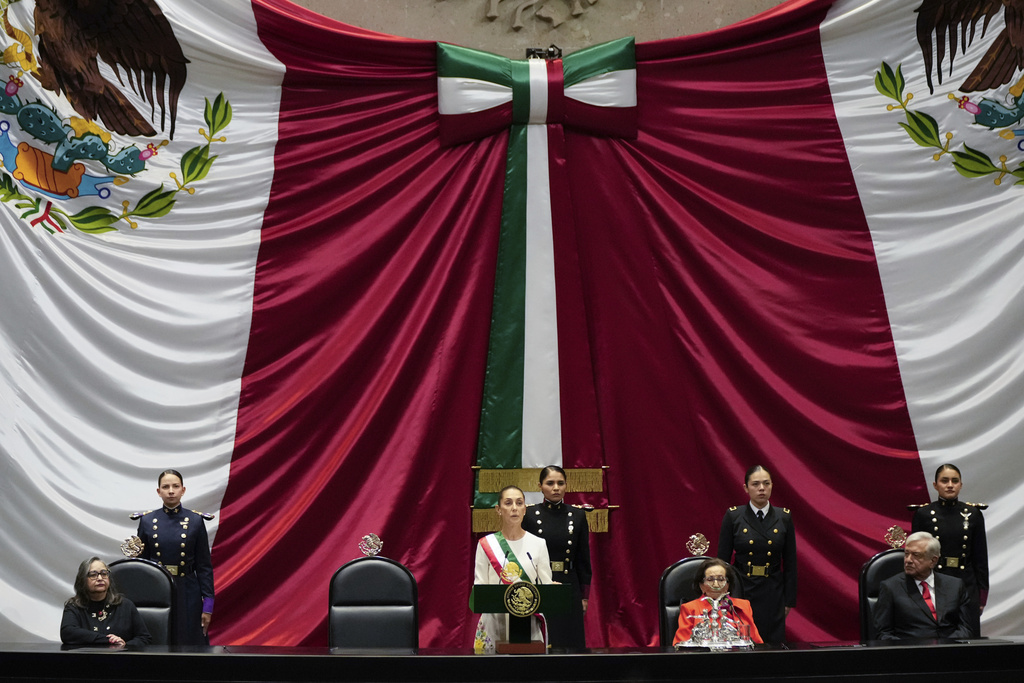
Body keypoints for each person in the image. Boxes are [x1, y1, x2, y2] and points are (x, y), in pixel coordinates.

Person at [133, 469, 215, 645]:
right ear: (158, 491)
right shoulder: (147, 520)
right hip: (157, 588)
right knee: (159, 638)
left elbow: (204, 566)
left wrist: (208, 606)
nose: (171, 490)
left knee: (189, 641)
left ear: (183, 490)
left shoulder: (195, 520)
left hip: (188, 589)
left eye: (175, 486)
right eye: (166, 486)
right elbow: (141, 565)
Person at [717, 464, 796, 643]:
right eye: (756, 484)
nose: (761, 488)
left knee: (771, 644)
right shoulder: (734, 516)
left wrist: (789, 600)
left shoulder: (783, 517)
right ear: (746, 488)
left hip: (772, 590)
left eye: (766, 483)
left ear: (772, 486)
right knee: (743, 642)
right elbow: (722, 562)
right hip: (742, 588)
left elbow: (790, 562)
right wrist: (722, 596)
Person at [473, 484, 553, 654]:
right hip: (494, 623)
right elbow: (480, 589)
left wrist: (554, 588)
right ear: (498, 509)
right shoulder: (486, 545)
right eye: (508, 503)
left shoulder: (539, 544)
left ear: (525, 508)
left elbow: (546, 587)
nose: (514, 508)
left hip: (528, 623)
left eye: (519, 503)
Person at [911, 463, 988, 636]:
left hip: (966, 584)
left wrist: (981, 596)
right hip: (934, 583)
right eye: (944, 481)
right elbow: (917, 557)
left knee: (969, 638)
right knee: (938, 636)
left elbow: (980, 558)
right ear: (935, 485)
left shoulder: (973, 514)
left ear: (961, 484)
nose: (950, 485)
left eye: (955, 480)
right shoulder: (923, 514)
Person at [521, 465, 592, 649]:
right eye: (550, 483)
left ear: (566, 486)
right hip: (539, 584)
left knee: (569, 641)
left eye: (560, 483)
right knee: (542, 639)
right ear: (540, 486)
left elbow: (583, 560)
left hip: (568, 584)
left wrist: (584, 597)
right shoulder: (528, 515)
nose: (556, 488)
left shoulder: (577, 516)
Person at [874, 531, 974, 640]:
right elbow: (883, 633)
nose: (908, 560)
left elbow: (966, 628)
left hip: (950, 651)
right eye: (906, 554)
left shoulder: (955, 585)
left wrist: (946, 646)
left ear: (933, 561)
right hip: (911, 653)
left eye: (916, 555)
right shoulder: (891, 587)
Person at [60, 557, 151, 648]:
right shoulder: (74, 606)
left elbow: (144, 638)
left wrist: (124, 646)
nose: (100, 578)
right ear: (82, 580)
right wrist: (109, 640)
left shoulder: (125, 605)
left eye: (104, 574)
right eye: (93, 574)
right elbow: (67, 632)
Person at [673, 558, 763, 646]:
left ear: (728, 584)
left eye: (721, 579)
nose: (716, 585)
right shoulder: (690, 608)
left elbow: (757, 644)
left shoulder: (743, 606)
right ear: (701, 586)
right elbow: (680, 647)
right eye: (710, 580)